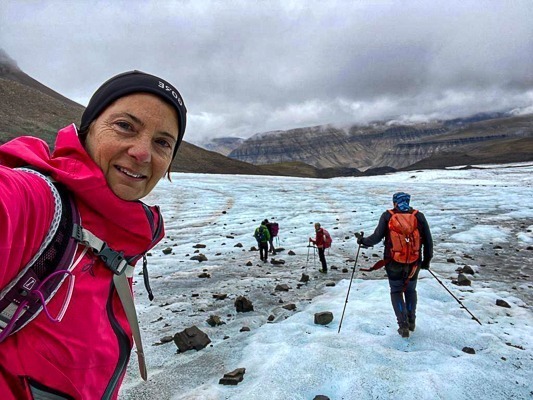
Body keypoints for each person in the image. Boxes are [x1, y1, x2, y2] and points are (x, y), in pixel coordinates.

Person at [0, 70, 187, 399]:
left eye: (162, 143)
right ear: (87, 130)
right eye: (125, 126)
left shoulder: (121, 238)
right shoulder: (38, 203)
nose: (142, 152)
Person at [356, 192, 433, 338]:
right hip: (414, 263)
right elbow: (428, 241)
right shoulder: (418, 216)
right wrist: (426, 261)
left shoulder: (388, 215)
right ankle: (411, 322)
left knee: (396, 291)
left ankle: (402, 325)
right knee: (410, 290)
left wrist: (362, 241)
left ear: (394, 203)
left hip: (393, 262)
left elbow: (376, 238)